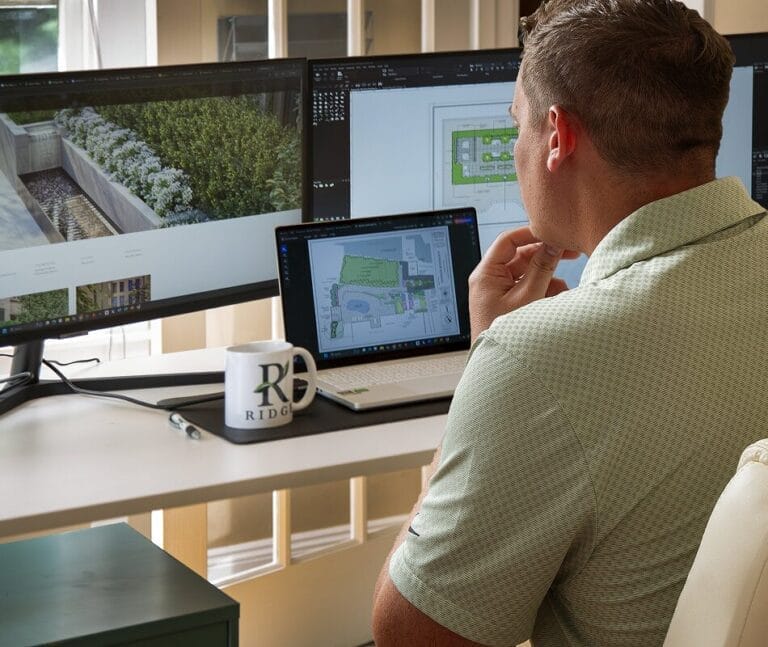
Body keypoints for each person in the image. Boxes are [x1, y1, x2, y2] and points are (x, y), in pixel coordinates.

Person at [371, 0, 768, 645]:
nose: (516, 149)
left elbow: (412, 635)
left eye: (517, 127)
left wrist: (485, 364)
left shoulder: (534, 358)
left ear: (557, 136)